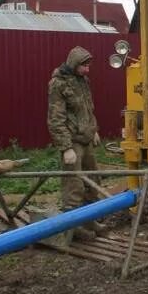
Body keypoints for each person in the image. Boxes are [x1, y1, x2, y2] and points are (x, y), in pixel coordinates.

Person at [47, 45, 107, 235]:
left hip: (86, 138)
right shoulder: (58, 84)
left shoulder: (83, 81)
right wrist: (66, 148)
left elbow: (88, 109)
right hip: (73, 141)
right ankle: (74, 227)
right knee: (74, 184)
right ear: (74, 64)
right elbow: (55, 119)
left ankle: (89, 220)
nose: (87, 69)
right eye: (84, 66)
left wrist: (94, 130)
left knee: (92, 181)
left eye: (89, 66)